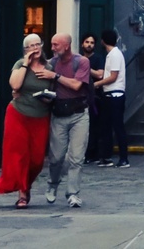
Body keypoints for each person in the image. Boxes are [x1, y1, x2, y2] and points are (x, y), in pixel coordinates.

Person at [0, 34, 55, 209]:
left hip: (40, 116)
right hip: (18, 114)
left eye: (37, 44)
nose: (35, 48)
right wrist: (26, 63)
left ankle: (26, 184)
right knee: (19, 155)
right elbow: (15, 85)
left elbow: (53, 91)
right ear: (25, 50)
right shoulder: (20, 64)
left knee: (37, 160)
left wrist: (48, 99)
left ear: (42, 46)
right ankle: (22, 193)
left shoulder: (49, 67)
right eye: (30, 46)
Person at [42, 32, 92, 207]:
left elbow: (77, 85)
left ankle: (73, 193)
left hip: (79, 114)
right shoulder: (51, 64)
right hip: (59, 114)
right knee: (56, 157)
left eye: (56, 45)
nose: (53, 48)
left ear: (67, 46)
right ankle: (52, 184)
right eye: (52, 44)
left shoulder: (82, 62)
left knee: (76, 157)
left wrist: (55, 77)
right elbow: (46, 84)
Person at [94, 27, 129, 168]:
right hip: (109, 95)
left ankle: (124, 158)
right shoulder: (112, 54)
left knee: (117, 126)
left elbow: (113, 77)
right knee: (106, 126)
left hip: (115, 95)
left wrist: (97, 83)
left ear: (103, 41)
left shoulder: (114, 55)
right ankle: (107, 157)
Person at [81, 32, 107, 163]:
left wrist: (86, 67)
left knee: (94, 126)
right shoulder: (78, 59)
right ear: (82, 44)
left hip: (95, 97)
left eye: (91, 43)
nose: (89, 45)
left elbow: (100, 75)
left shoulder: (98, 58)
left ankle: (93, 154)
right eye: (87, 42)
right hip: (80, 97)